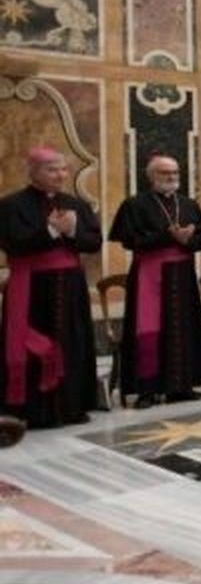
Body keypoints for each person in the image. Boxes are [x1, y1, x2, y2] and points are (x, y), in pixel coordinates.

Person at [0, 147, 102, 427]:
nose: (60, 175)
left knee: (73, 343)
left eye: (64, 169)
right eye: (52, 169)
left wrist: (72, 232)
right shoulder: (10, 205)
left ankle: (72, 407)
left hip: (70, 287)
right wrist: (51, 231)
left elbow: (94, 242)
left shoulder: (75, 204)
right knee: (31, 347)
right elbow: (11, 243)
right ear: (33, 172)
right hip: (31, 287)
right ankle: (32, 410)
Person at [110, 155, 201, 407]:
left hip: (182, 275)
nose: (172, 177)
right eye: (165, 173)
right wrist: (167, 236)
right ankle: (147, 391)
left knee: (183, 328)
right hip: (149, 274)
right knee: (148, 330)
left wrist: (188, 240)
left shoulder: (188, 204)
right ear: (151, 176)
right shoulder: (134, 205)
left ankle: (181, 386)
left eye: (175, 172)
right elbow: (128, 240)